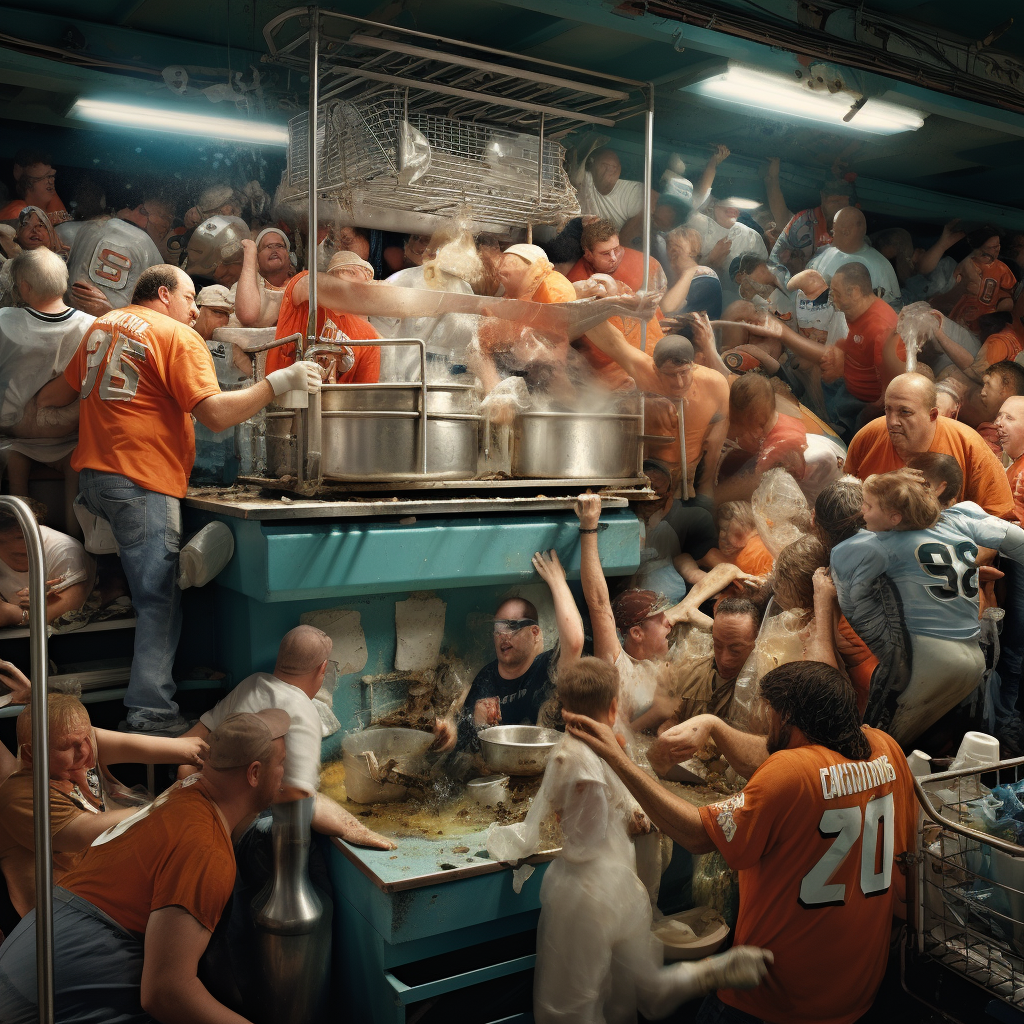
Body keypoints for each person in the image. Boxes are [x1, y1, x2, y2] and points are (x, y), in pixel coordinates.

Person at [34, 264, 324, 734]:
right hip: (140, 480)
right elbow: (214, 415)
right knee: (158, 600)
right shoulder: (177, 335)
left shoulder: (101, 327)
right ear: (165, 294)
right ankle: (151, 713)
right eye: (191, 299)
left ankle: (147, 684)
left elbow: (56, 393)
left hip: (94, 481)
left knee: (139, 590)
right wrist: (279, 382)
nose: (195, 310)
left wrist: (29, 414)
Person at [563, 660, 917, 1024]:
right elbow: (785, 756)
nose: (766, 722)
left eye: (770, 713)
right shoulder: (886, 749)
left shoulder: (789, 774)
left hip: (776, 995)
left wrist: (619, 759)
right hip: (854, 992)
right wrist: (713, 726)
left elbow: (699, 835)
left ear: (789, 717)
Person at [487, 658, 772, 1024]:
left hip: (581, 896)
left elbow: (581, 835)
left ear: (561, 707)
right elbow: (616, 805)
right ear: (612, 707)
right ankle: (713, 971)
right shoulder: (612, 752)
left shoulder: (565, 756)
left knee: (568, 1012)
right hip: (622, 889)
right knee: (645, 992)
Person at [0, 709, 290, 1024]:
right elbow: (166, 993)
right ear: (254, 773)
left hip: (33, 945)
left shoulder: (182, 795)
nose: (285, 775)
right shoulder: (205, 849)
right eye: (282, 764)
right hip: (50, 984)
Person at [832, 468, 1024, 744]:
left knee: (883, 743)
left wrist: (879, 638)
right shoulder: (959, 519)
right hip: (974, 653)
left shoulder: (876, 544)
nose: (862, 511)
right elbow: (1015, 540)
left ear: (894, 516)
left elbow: (851, 600)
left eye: (869, 505)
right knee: (941, 740)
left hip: (928, 654)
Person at [179, 625, 393, 849]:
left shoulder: (252, 683)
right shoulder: (303, 710)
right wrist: (352, 827)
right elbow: (298, 796)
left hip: (209, 814)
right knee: (312, 853)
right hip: (245, 836)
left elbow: (189, 747)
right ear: (323, 668)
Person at [0, 692, 207, 916]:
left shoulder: (75, 749)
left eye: (85, 740)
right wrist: (173, 802)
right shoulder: (20, 797)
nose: (84, 752)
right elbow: (86, 831)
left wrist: (213, 759)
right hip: (65, 911)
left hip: (106, 883)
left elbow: (188, 749)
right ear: (31, 753)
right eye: (68, 746)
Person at [583, 326, 728, 557]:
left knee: (698, 539)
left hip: (691, 477)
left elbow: (715, 443)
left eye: (684, 372)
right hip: (651, 477)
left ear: (694, 365)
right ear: (655, 368)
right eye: (670, 375)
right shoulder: (643, 369)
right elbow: (608, 337)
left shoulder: (716, 384)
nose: (679, 383)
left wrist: (705, 487)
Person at [439, 550, 584, 751]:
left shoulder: (547, 667)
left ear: (535, 632)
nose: (503, 636)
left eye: (512, 626)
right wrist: (451, 738)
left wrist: (557, 581)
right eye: (498, 629)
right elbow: (464, 745)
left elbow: (574, 642)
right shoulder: (485, 678)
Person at [844, 373, 1015, 519]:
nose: (892, 422)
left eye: (905, 412)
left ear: (932, 415)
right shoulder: (869, 435)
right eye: (888, 410)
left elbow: (998, 519)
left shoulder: (969, 444)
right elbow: (846, 500)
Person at [633, 596, 762, 738]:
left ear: (757, 641)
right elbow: (676, 716)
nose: (724, 659)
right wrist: (668, 730)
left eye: (735, 650)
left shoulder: (761, 692)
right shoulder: (691, 671)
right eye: (717, 645)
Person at [564, 219, 665, 388]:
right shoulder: (577, 284)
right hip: (612, 372)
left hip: (659, 354)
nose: (613, 258)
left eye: (616, 250)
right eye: (605, 253)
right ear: (588, 254)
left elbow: (660, 305)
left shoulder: (647, 264)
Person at [265, 250, 381, 381]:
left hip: (332, 400)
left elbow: (364, 394)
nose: (367, 279)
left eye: (369, 276)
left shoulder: (368, 336)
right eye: (360, 272)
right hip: (282, 393)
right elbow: (309, 285)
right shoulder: (305, 293)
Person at [0, 497, 93, 627]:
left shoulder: (65, 550)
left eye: (20, 537)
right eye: (3, 541)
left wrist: (16, 615)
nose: (15, 546)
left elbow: (72, 604)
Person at [63, 198, 165, 317]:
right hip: (112, 326)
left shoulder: (81, 228)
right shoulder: (141, 241)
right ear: (141, 210)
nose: (163, 225)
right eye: (161, 215)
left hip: (69, 318)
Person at [807, 207, 902, 308]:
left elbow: (891, 309)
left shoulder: (880, 265)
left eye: (834, 230)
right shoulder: (825, 255)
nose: (832, 233)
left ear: (846, 232)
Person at [687, 196, 768, 306]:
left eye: (737, 203)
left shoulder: (751, 238)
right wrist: (711, 261)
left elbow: (763, 285)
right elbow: (681, 279)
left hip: (739, 306)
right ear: (713, 203)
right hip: (695, 302)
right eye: (726, 199)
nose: (733, 207)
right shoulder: (696, 226)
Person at [767, 175, 854, 276]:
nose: (838, 208)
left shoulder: (851, 225)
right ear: (823, 198)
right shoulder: (803, 221)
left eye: (844, 204)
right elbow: (775, 263)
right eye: (835, 202)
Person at [946, 227, 1016, 332]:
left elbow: (1008, 294)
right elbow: (952, 288)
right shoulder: (967, 264)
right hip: (962, 313)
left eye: (998, 245)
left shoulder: (1002, 269)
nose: (997, 249)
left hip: (988, 317)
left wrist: (999, 308)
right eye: (992, 247)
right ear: (979, 248)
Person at [569, 145, 647, 231]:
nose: (609, 171)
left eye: (614, 167)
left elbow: (641, 227)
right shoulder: (584, 180)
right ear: (593, 166)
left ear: (620, 170)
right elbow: (574, 177)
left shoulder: (633, 191)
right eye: (604, 166)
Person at [233, 227, 295, 328]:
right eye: (268, 246)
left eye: (279, 246)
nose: (274, 250)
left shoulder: (300, 285)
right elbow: (247, 315)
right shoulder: (242, 288)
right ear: (257, 258)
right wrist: (249, 254)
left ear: (289, 257)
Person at [661, 226, 723, 319]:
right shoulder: (675, 280)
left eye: (677, 248)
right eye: (669, 246)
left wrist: (689, 272)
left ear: (694, 248)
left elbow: (666, 308)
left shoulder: (706, 275)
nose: (671, 250)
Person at [0, 152, 68, 226]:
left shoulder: (48, 196)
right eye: (41, 178)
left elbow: (63, 225)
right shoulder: (18, 211)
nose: (50, 182)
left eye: (50, 176)